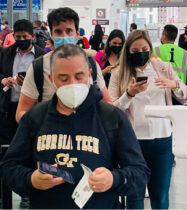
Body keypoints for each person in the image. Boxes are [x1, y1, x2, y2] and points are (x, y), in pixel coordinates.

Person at [0, 44, 150, 209]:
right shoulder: (35, 117)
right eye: (63, 78)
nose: (73, 84)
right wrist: (31, 179)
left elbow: (140, 173)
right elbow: (9, 167)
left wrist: (114, 179)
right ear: (52, 79)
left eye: (79, 76)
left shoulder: (111, 117)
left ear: (90, 75)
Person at [108, 30, 187, 209]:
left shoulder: (163, 68)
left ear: (150, 48)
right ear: (128, 51)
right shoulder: (118, 73)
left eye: (145, 48)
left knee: (160, 196)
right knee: (134, 196)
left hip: (162, 140)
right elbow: (111, 110)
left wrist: (175, 85)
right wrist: (129, 94)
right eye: (135, 50)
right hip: (132, 144)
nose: (141, 53)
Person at [16, 7, 112, 123]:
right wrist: (44, 124)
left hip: (86, 135)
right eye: (58, 32)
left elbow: (108, 104)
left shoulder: (90, 64)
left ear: (77, 34)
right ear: (51, 35)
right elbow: (21, 112)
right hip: (50, 136)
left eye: (69, 31)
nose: (64, 36)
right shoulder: (39, 67)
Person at [0, 19, 45, 208]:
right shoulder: (6, 53)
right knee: (7, 152)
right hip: (8, 109)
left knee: (30, 150)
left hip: (32, 111)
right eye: (17, 37)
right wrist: (4, 80)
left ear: (33, 37)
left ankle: (28, 192)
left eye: (25, 37)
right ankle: (6, 194)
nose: (21, 40)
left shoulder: (42, 56)